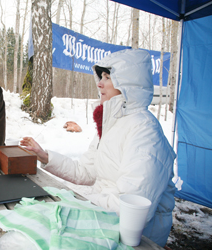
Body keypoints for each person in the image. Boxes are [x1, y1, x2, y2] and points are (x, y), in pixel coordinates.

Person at [20, 49, 175, 247]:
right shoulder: (112, 123)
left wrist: (75, 203)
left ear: (128, 85)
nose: (99, 83)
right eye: (101, 77)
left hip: (137, 239)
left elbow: (130, 206)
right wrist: (45, 156)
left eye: (108, 77)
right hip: (104, 220)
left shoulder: (145, 132)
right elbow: (85, 171)